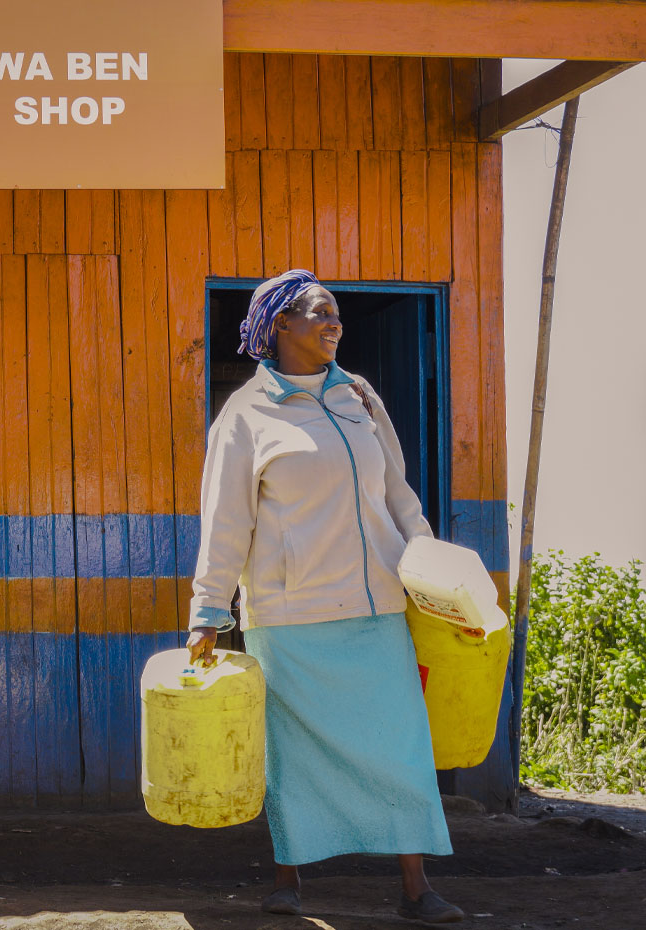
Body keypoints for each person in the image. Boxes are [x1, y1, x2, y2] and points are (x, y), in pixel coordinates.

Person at [186, 269, 463, 924]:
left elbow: (397, 492)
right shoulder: (245, 416)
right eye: (318, 313)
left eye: (336, 314)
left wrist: (429, 571)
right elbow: (225, 521)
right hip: (290, 616)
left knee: (400, 748)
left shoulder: (358, 397)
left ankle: (416, 889)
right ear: (279, 326)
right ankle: (288, 880)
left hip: (377, 610)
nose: (333, 323)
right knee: (295, 756)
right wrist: (207, 610)